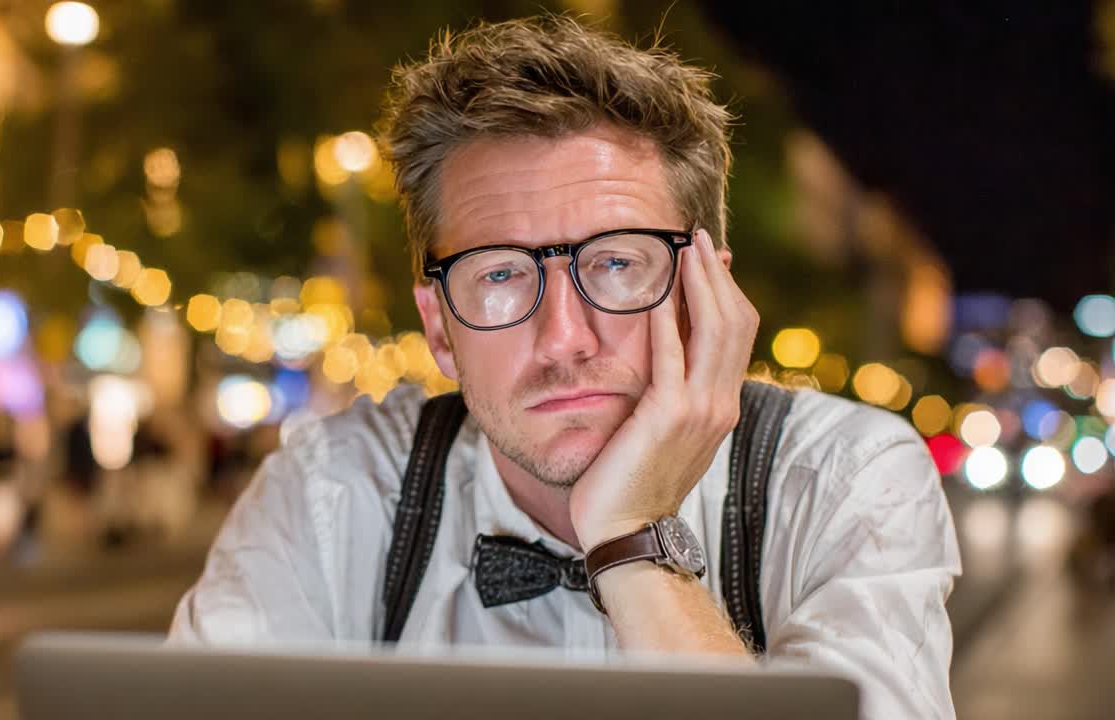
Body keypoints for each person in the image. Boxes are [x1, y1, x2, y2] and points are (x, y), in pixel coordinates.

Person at [170, 15, 961, 719]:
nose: (564, 338)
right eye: (502, 274)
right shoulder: (328, 492)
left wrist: (628, 537)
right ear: (440, 331)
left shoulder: (844, 476)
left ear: (709, 297)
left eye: (617, 264)